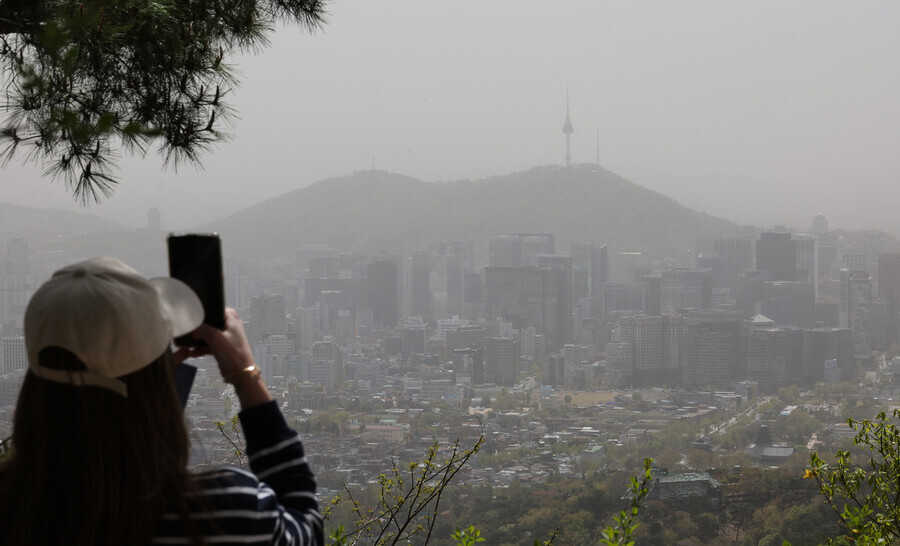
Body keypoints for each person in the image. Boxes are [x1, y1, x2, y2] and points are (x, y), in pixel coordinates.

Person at [0, 257, 322, 545]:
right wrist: (245, 375)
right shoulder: (223, 515)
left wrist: (146, 388)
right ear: (155, 383)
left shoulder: (14, 509)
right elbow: (305, 521)